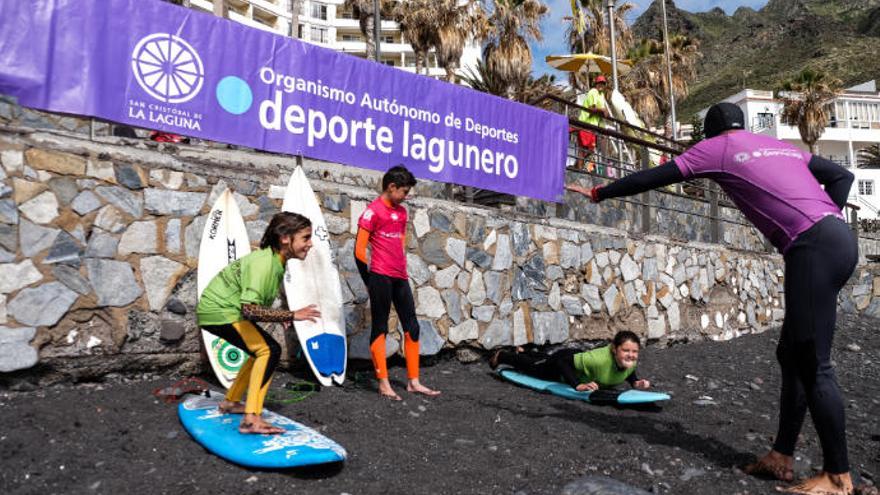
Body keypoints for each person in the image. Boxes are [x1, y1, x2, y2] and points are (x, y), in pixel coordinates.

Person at [566, 102, 858, 495]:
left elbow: (658, 175)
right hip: (839, 239)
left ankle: (838, 477)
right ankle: (781, 456)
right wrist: (826, 219)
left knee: (813, 363)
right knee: (792, 354)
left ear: (710, 131)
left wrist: (600, 192)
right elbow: (842, 174)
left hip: (813, 246)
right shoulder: (777, 146)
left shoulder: (717, 148)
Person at [196, 212, 321, 434]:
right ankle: (251, 419)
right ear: (285, 238)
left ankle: (231, 402)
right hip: (221, 311)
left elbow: (252, 305)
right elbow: (250, 309)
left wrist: (280, 316)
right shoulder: (265, 264)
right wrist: (290, 315)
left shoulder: (274, 261)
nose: (310, 244)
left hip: (221, 310)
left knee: (261, 350)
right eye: (306, 237)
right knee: (269, 350)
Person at [355, 165, 441, 400]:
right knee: (380, 328)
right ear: (391, 187)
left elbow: (399, 244)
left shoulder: (402, 213)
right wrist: (368, 281)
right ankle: (383, 383)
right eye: (404, 191)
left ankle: (413, 382)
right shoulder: (372, 212)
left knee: (412, 327)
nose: (406, 196)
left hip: (400, 277)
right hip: (380, 277)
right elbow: (359, 251)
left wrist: (402, 269)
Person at [488, 330, 651, 391]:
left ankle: (525, 351)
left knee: (545, 359)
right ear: (615, 350)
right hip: (563, 364)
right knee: (535, 368)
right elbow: (562, 363)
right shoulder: (598, 360)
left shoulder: (630, 360)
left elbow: (628, 371)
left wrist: (635, 382)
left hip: (578, 359)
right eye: (626, 350)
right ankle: (502, 355)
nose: (631, 355)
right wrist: (577, 385)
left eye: (634, 351)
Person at [574, 74, 611, 175]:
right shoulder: (593, 92)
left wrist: (605, 111)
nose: (601, 85)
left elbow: (601, 110)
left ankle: (577, 168)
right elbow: (591, 108)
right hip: (585, 123)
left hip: (593, 126)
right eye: (599, 83)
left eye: (603, 83)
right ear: (596, 83)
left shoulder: (601, 95)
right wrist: (602, 110)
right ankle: (579, 171)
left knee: (590, 150)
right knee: (583, 149)